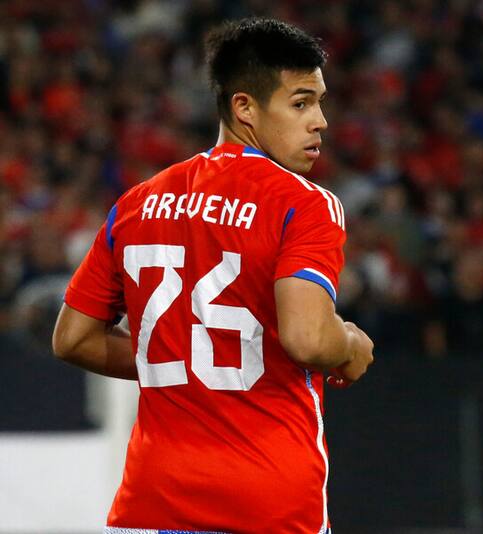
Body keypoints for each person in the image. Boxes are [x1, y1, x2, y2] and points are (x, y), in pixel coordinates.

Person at [51, 17, 374, 534]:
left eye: (319, 102)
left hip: (153, 502)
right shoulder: (304, 204)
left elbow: (73, 339)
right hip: (268, 503)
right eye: (300, 102)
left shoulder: (138, 203)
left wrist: (183, 361)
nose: (320, 121)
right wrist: (351, 344)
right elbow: (309, 338)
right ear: (244, 107)